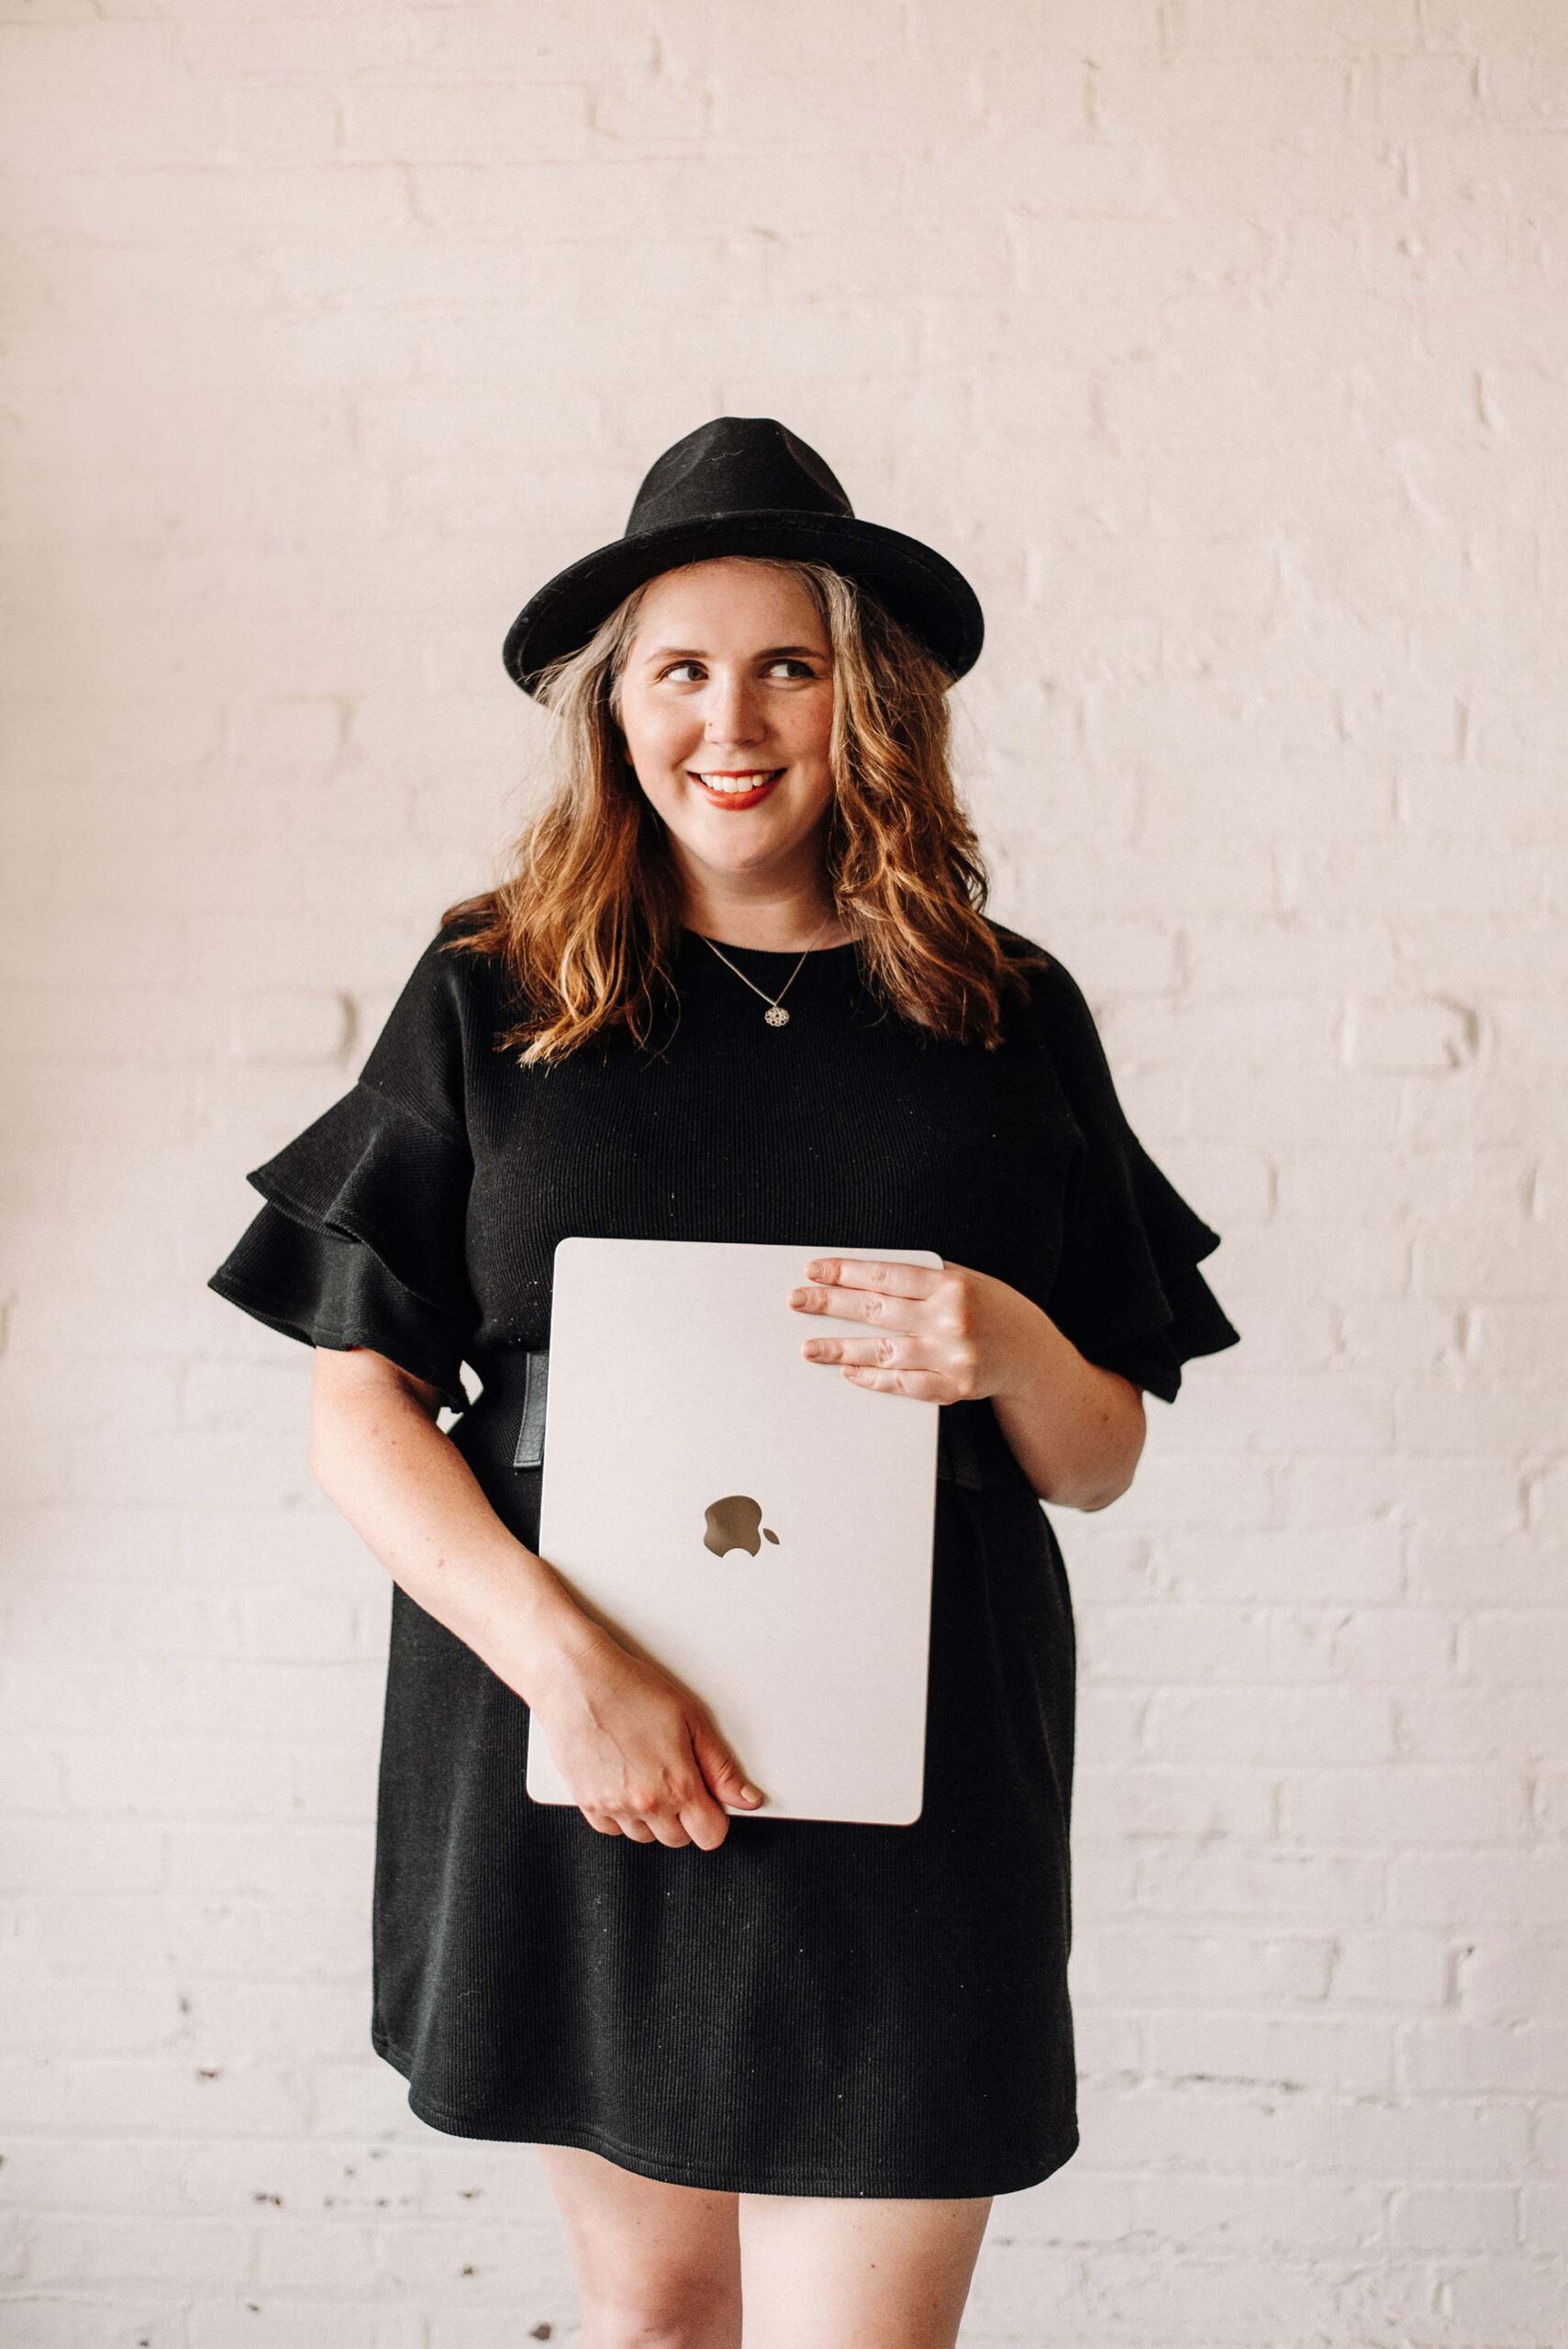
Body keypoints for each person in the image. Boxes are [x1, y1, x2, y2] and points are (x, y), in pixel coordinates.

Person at [207, 416, 1240, 2348]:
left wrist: (1009, 1338)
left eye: (791, 661)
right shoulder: (491, 988)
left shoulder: (1004, 1012)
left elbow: (1097, 1457)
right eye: (680, 668)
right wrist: (574, 1675)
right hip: (575, 1741)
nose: (732, 717)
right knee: (661, 2320)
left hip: (915, 1762)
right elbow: (358, 1403)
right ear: (615, 708)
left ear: (875, 702)